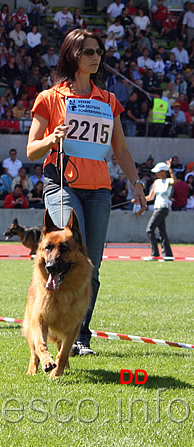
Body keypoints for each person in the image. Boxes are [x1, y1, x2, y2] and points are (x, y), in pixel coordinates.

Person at [27, 29, 146, 356]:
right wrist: (53, 139)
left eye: (98, 52)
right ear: (72, 55)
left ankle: (79, 337)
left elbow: (120, 150)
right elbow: (31, 150)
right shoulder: (50, 98)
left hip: (99, 191)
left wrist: (136, 183)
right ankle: (45, 327)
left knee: (89, 265)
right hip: (61, 184)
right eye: (89, 51)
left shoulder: (107, 100)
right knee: (66, 247)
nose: (96, 57)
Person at [144, 161, 175, 261]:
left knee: (150, 229)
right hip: (157, 207)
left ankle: (155, 254)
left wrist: (170, 169)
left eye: (158, 172)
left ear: (163, 172)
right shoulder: (156, 182)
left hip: (163, 207)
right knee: (162, 232)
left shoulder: (168, 181)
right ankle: (168, 255)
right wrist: (141, 199)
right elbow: (150, 197)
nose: (156, 174)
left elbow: (174, 180)